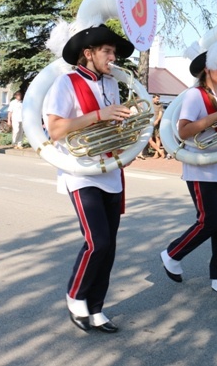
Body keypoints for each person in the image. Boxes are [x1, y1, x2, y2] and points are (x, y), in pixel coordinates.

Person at [44, 24, 135, 333]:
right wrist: (99, 115)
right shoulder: (65, 83)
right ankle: (75, 294)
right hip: (79, 171)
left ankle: (96, 309)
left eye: (114, 52)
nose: (113, 57)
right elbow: (55, 129)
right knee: (98, 242)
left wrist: (128, 132)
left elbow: (111, 126)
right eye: (107, 51)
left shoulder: (111, 84)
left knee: (109, 247)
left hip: (110, 170)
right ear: (88, 53)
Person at [159, 36, 217, 296]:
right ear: (206, 69)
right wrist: (216, 117)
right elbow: (184, 131)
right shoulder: (195, 96)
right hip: (201, 166)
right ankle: (172, 252)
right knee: (209, 221)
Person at [138, 94, 166, 159]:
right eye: (157, 98)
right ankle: (160, 151)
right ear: (153, 98)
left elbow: (160, 114)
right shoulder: (149, 104)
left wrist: (157, 120)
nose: (158, 100)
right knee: (149, 139)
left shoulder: (160, 105)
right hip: (150, 123)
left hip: (157, 123)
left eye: (158, 99)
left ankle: (156, 153)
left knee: (157, 138)